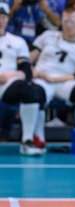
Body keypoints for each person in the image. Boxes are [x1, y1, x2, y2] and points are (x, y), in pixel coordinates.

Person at [18, 6, 75, 156]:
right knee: (33, 92)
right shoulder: (48, 36)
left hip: (66, 80)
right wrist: (33, 72)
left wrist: (55, 78)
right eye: (65, 21)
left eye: (72, 21)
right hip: (42, 79)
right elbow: (27, 60)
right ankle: (30, 139)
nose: (68, 25)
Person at [0, 3, 35, 147]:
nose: (0, 20)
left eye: (3, 17)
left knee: (29, 89)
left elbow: (26, 71)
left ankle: (27, 139)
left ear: (7, 19)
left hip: (9, 82)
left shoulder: (18, 41)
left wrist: (10, 76)